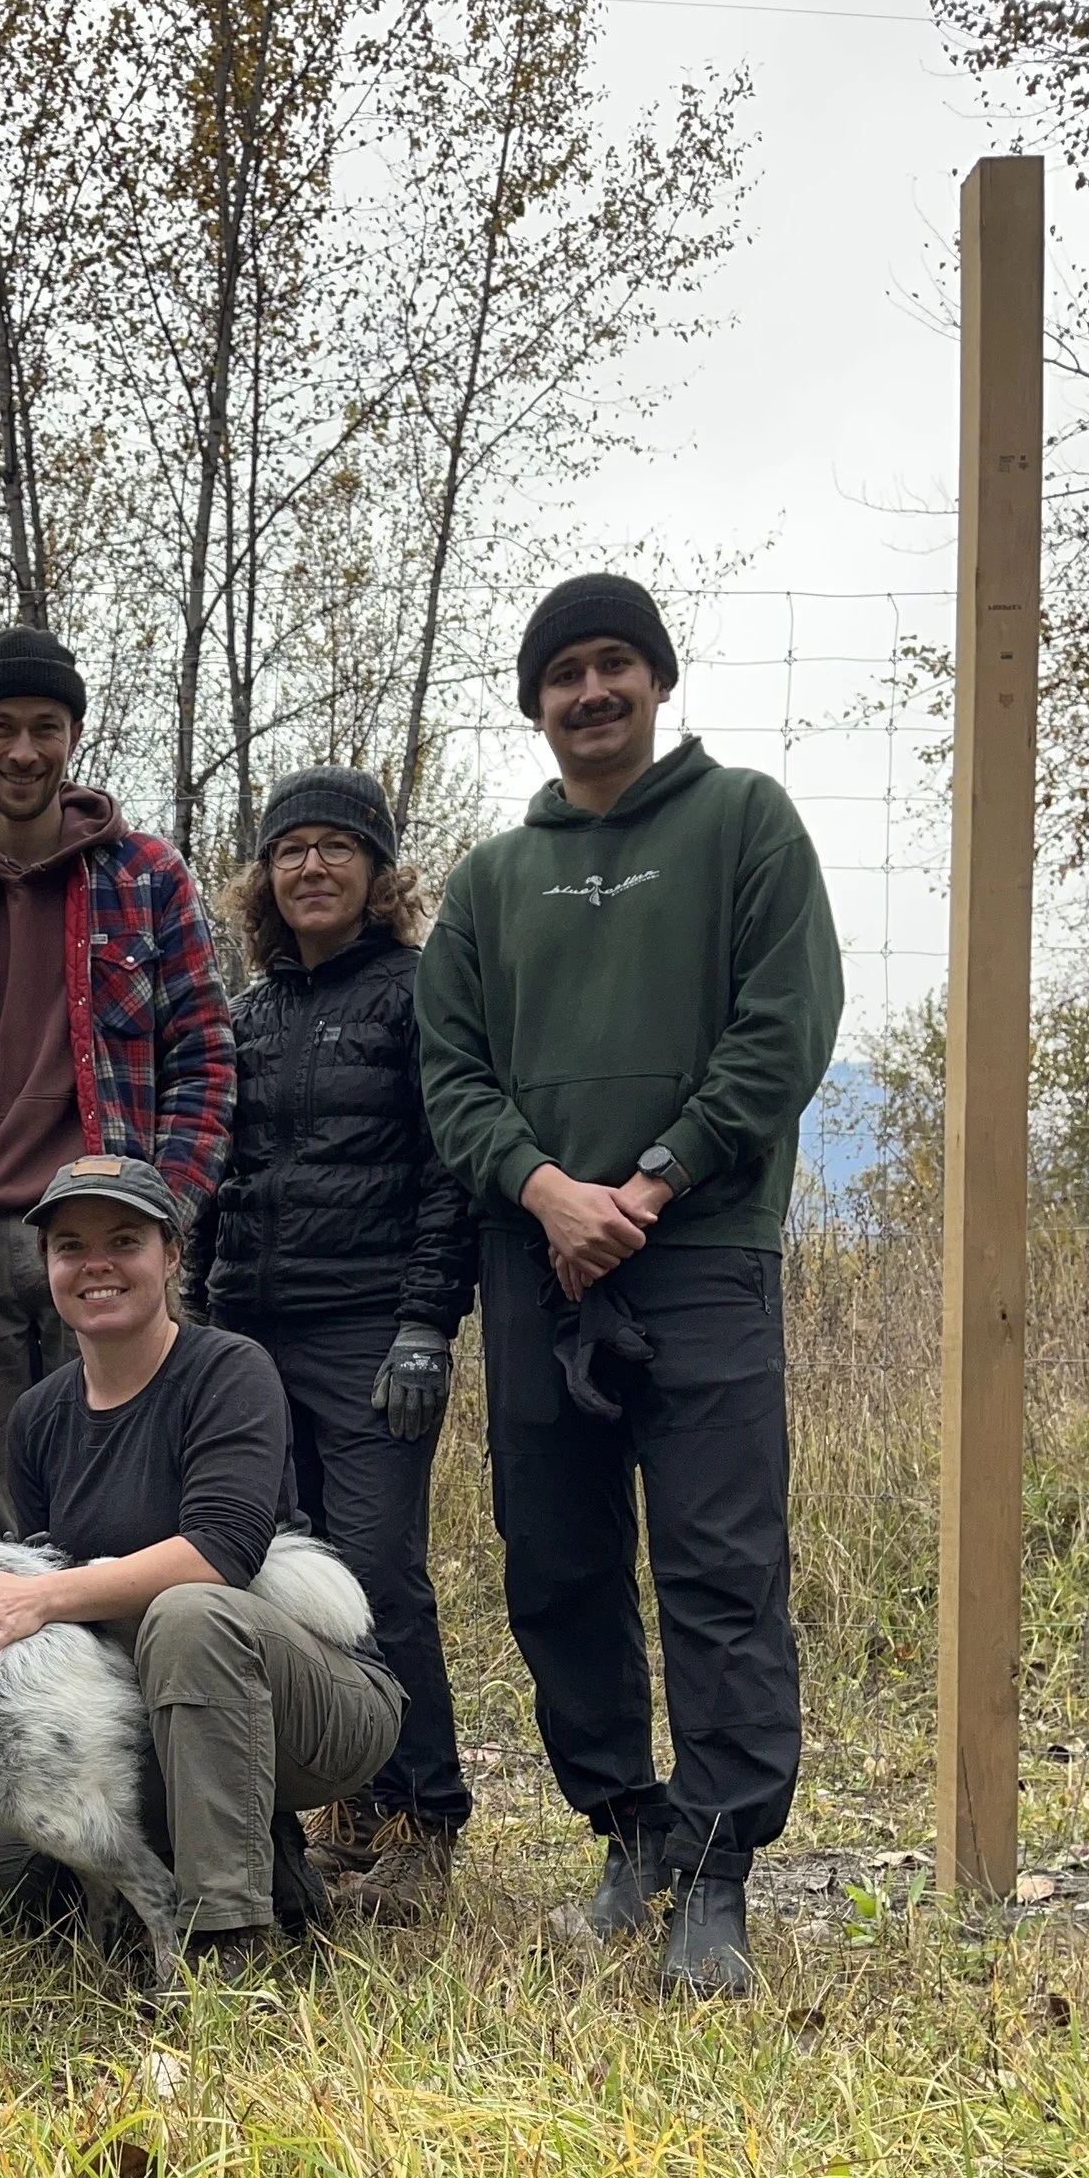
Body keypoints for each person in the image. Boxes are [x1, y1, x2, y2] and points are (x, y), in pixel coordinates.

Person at [417, 573, 843, 1995]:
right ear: (534, 704)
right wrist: (547, 1192)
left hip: (703, 1256)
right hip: (536, 1266)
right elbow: (452, 1080)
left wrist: (650, 1185)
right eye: (563, 675)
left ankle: (719, 1874)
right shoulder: (487, 882)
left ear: (658, 683)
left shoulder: (746, 825)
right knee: (559, 1565)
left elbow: (783, 1031)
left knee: (723, 1567)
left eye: (616, 666)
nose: (591, 693)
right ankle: (630, 1829)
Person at [0, 1153, 405, 1980]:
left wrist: (43, 1596)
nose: (97, 1265)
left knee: (189, 1612)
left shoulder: (230, 1370)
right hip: (143, 1703)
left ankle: (226, 1940)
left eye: (125, 1240)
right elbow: (49, 1605)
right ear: (46, 1266)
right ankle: (262, 1853)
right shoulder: (38, 1417)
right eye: (71, 1247)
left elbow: (220, 1552)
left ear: (173, 1256)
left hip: (313, 1701)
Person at [0, 623, 235, 1539]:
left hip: (108, 1238)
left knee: (133, 1511)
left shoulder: (148, 881)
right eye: (2, 728)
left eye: (46, 728)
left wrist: (163, 1212)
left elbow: (208, 1064)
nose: (24, 751)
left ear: (72, 739)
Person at [204, 766, 478, 1917]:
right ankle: (346, 1801)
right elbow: (220, 1173)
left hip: (369, 1325)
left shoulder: (419, 995)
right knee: (282, 1569)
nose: (310, 868)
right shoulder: (248, 1013)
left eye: (336, 848)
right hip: (249, 1328)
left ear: (377, 872)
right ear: (264, 878)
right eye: (289, 850)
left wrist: (424, 1321)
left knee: (376, 1571)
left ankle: (425, 1812)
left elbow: (445, 1173)